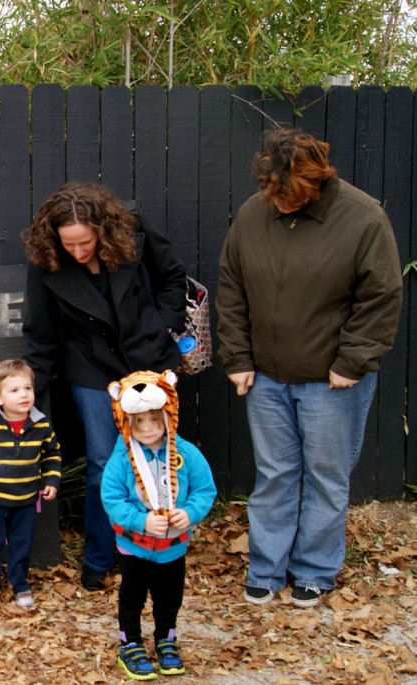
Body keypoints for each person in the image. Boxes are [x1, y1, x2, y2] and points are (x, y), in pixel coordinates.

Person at [217, 128, 403, 608]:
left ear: (314, 183)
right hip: (265, 376)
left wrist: (353, 361)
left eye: (286, 194)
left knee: (325, 475)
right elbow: (231, 287)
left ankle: (316, 569)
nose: (276, 201)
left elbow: (381, 296)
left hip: (332, 380)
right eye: (269, 191)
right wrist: (236, 357)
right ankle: (266, 567)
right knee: (275, 474)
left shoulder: (362, 218)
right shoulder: (253, 213)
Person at [22, 182, 189, 591]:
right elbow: (40, 334)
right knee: (102, 465)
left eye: (85, 242)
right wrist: (30, 400)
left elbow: (172, 278)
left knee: (159, 454)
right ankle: (99, 558)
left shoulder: (132, 229)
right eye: (69, 245)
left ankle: (159, 546)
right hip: (91, 368)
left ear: (102, 229)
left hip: (147, 360)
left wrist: (161, 326)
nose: (78, 252)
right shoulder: (46, 260)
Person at [102, 369, 216, 680]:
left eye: (155, 420)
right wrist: (140, 520)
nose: (149, 429)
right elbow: (111, 499)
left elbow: (205, 490)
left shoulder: (187, 454)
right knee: (132, 597)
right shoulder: (122, 459)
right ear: (128, 423)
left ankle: (167, 639)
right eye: (140, 422)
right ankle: (131, 643)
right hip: (134, 547)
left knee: (169, 598)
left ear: (169, 415)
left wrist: (190, 514)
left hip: (172, 548)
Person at [0, 358, 62, 607]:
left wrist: (51, 479)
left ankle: (20, 585)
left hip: (26, 501)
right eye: (15, 390)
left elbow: (52, 454)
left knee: (22, 545)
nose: (24, 395)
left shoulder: (41, 425)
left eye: (27, 388)